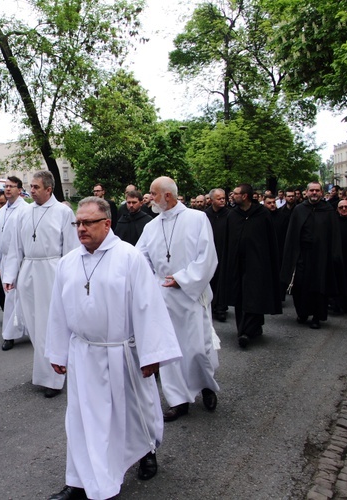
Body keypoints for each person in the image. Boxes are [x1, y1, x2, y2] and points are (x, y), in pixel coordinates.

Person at [46, 197, 182, 500]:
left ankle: (146, 452)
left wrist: (152, 355)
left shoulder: (129, 257)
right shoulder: (68, 262)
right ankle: (78, 481)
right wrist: (58, 353)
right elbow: (58, 310)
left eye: (88, 223)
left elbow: (148, 307)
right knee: (82, 420)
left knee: (134, 412)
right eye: (78, 223)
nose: (81, 228)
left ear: (107, 223)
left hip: (123, 353)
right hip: (84, 354)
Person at [135, 176, 220, 422]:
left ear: (168, 196)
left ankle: (206, 387)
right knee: (168, 352)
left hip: (190, 295)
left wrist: (183, 278)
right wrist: (151, 281)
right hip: (162, 295)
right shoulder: (151, 226)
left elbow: (207, 257)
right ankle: (178, 400)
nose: (149, 197)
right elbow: (140, 257)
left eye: (153, 193)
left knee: (197, 350)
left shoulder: (197, 219)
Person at [2, 171, 78, 397]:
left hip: (52, 270)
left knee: (50, 324)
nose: (31, 190)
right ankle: (47, 370)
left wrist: (69, 278)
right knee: (34, 325)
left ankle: (54, 377)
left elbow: (71, 248)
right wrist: (10, 276)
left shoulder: (63, 212)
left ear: (48, 189)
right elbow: (15, 248)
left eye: (35, 187)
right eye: (30, 187)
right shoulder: (24, 214)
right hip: (29, 270)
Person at [221, 184, 282, 348]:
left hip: (258, 264)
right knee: (241, 297)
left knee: (254, 296)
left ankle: (246, 332)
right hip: (237, 264)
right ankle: (244, 329)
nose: (232, 196)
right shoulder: (233, 215)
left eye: (236, 193)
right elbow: (228, 241)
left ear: (245, 196)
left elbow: (270, 241)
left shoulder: (262, 214)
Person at [280, 181, 344, 329]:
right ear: (306, 192)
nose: (314, 193)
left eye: (317, 191)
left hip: (321, 256)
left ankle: (317, 316)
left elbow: (334, 235)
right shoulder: (299, 210)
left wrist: (334, 255)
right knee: (300, 284)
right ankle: (302, 313)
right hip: (302, 253)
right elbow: (292, 233)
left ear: (321, 193)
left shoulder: (328, 210)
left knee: (319, 286)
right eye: (311, 191)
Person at [0, 176, 31, 351]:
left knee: (13, 297)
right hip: (5, 258)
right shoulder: (2, 211)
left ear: (19, 189)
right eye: (6, 186)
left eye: (11, 186)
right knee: (13, 297)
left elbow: (23, 239)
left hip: (20, 259)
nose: (7, 189)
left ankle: (9, 335)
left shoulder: (25, 209)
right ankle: (24, 328)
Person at [205, 188, 229, 322]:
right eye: (219, 198)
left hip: (223, 252)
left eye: (223, 198)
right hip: (209, 252)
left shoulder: (229, 215)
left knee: (222, 280)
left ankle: (221, 308)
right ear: (212, 200)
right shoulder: (205, 215)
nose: (222, 200)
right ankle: (211, 305)